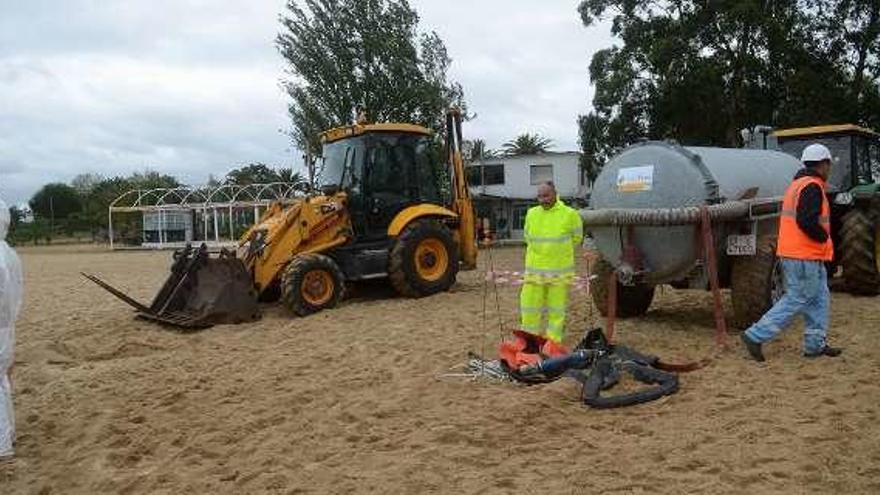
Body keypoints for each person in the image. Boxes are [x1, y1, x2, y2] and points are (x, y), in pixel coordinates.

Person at [740, 144, 842, 362]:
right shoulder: (812, 187)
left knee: (819, 298)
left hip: (804, 255)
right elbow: (806, 221)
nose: (829, 168)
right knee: (797, 299)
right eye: (828, 164)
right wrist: (823, 237)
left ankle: (815, 345)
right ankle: (754, 335)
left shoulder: (798, 184)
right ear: (823, 164)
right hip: (804, 255)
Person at [520, 182, 583, 345]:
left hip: (559, 274)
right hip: (534, 273)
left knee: (557, 311)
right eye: (539, 196)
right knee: (529, 309)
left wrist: (558, 254)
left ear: (555, 194)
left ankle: (553, 343)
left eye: (546, 195)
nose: (542, 200)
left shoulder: (570, 214)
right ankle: (529, 342)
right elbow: (527, 237)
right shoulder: (531, 214)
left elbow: (577, 238)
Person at [0, 198, 23, 458]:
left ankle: (2, 444)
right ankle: (8, 435)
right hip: (5, 327)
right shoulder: (8, 252)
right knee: (3, 381)